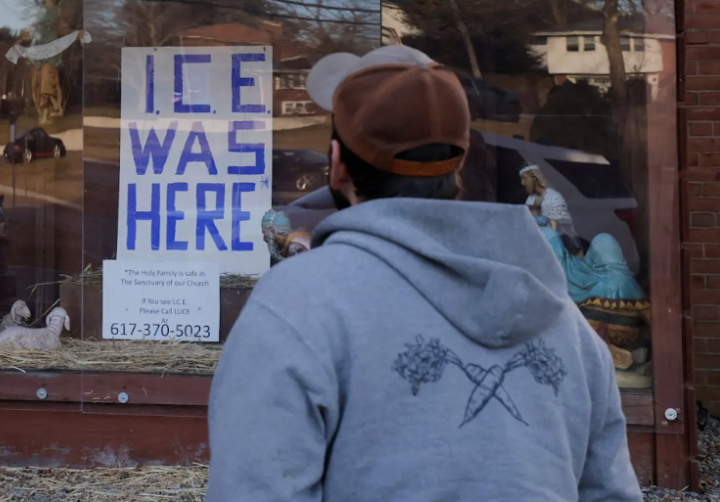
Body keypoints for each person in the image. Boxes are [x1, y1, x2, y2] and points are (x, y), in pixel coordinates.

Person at [206, 45, 640, 502]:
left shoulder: (298, 303)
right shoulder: (567, 324)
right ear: (460, 164)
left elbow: (254, 489)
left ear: (336, 165)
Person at [521, 164, 585, 254]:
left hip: (560, 244)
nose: (522, 183)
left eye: (524, 178)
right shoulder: (530, 199)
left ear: (534, 178)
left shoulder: (553, 196)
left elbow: (556, 226)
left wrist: (540, 221)